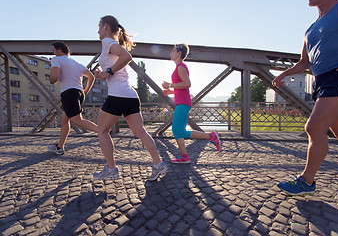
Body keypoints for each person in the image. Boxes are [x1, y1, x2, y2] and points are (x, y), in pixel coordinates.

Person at [272, 0, 338, 196]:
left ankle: (306, 182)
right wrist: (285, 73)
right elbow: (304, 62)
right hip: (321, 82)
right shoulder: (310, 29)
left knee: (314, 127)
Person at [93, 15, 167, 181]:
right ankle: (158, 165)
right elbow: (115, 69)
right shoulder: (112, 45)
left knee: (102, 130)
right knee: (140, 132)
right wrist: (102, 75)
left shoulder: (107, 42)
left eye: (98, 26)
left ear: (105, 26)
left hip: (117, 95)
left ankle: (111, 169)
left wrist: (109, 71)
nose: (97, 30)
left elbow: (127, 57)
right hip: (130, 95)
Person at [162, 43, 221, 164]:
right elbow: (182, 87)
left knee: (176, 129)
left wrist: (169, 85)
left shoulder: (180, 67)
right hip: (182, 102)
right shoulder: (179, 67)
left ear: (179, 53)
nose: (170, 53)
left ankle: (210, 137)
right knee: (181, 131)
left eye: (173, 51)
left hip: (183, 103)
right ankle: (185, 156)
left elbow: (187, 84)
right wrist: (171, 91)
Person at [48, 41, 98, 155]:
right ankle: (60, 147)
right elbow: (91, 77)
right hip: (79, 93)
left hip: (68, 93)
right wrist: (85, 91)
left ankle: (102, 131)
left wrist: (51, 80)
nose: (54, 53)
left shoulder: (56, 59)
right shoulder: (77, 63)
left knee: (77, 121)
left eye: (54, 50)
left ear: (59, 50)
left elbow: (54, 77)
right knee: (64, 118)